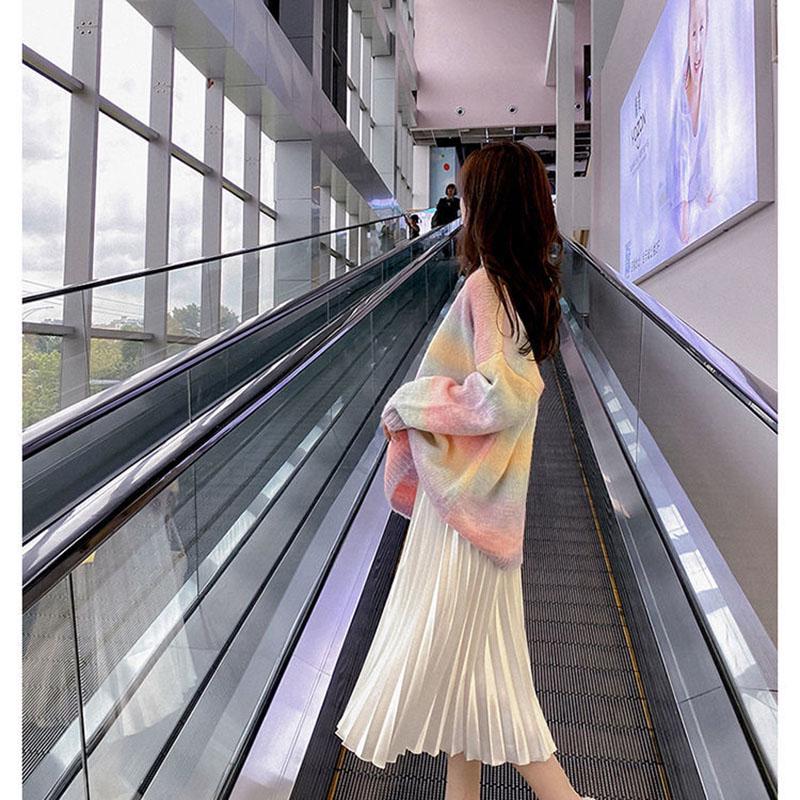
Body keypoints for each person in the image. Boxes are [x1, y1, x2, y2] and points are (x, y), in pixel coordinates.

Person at [335, 142, 596, 800]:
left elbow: (502, 395)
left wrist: (412, 401)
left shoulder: (487, 287)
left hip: (464, 513)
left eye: (472, 197)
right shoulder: (518, 290)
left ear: (489, 206)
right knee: (472, 675)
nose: (465, 208)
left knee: (473, 671)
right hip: (483, 512)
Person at [669, 0, 714, 244]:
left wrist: (707, 190)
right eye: (692, 32)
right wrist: (684, 216)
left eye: (702, 29)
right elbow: (680, 158)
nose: (697, 45)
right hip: (683, 203)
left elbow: (706, 146)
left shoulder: (710, 83)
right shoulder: (681, 92)